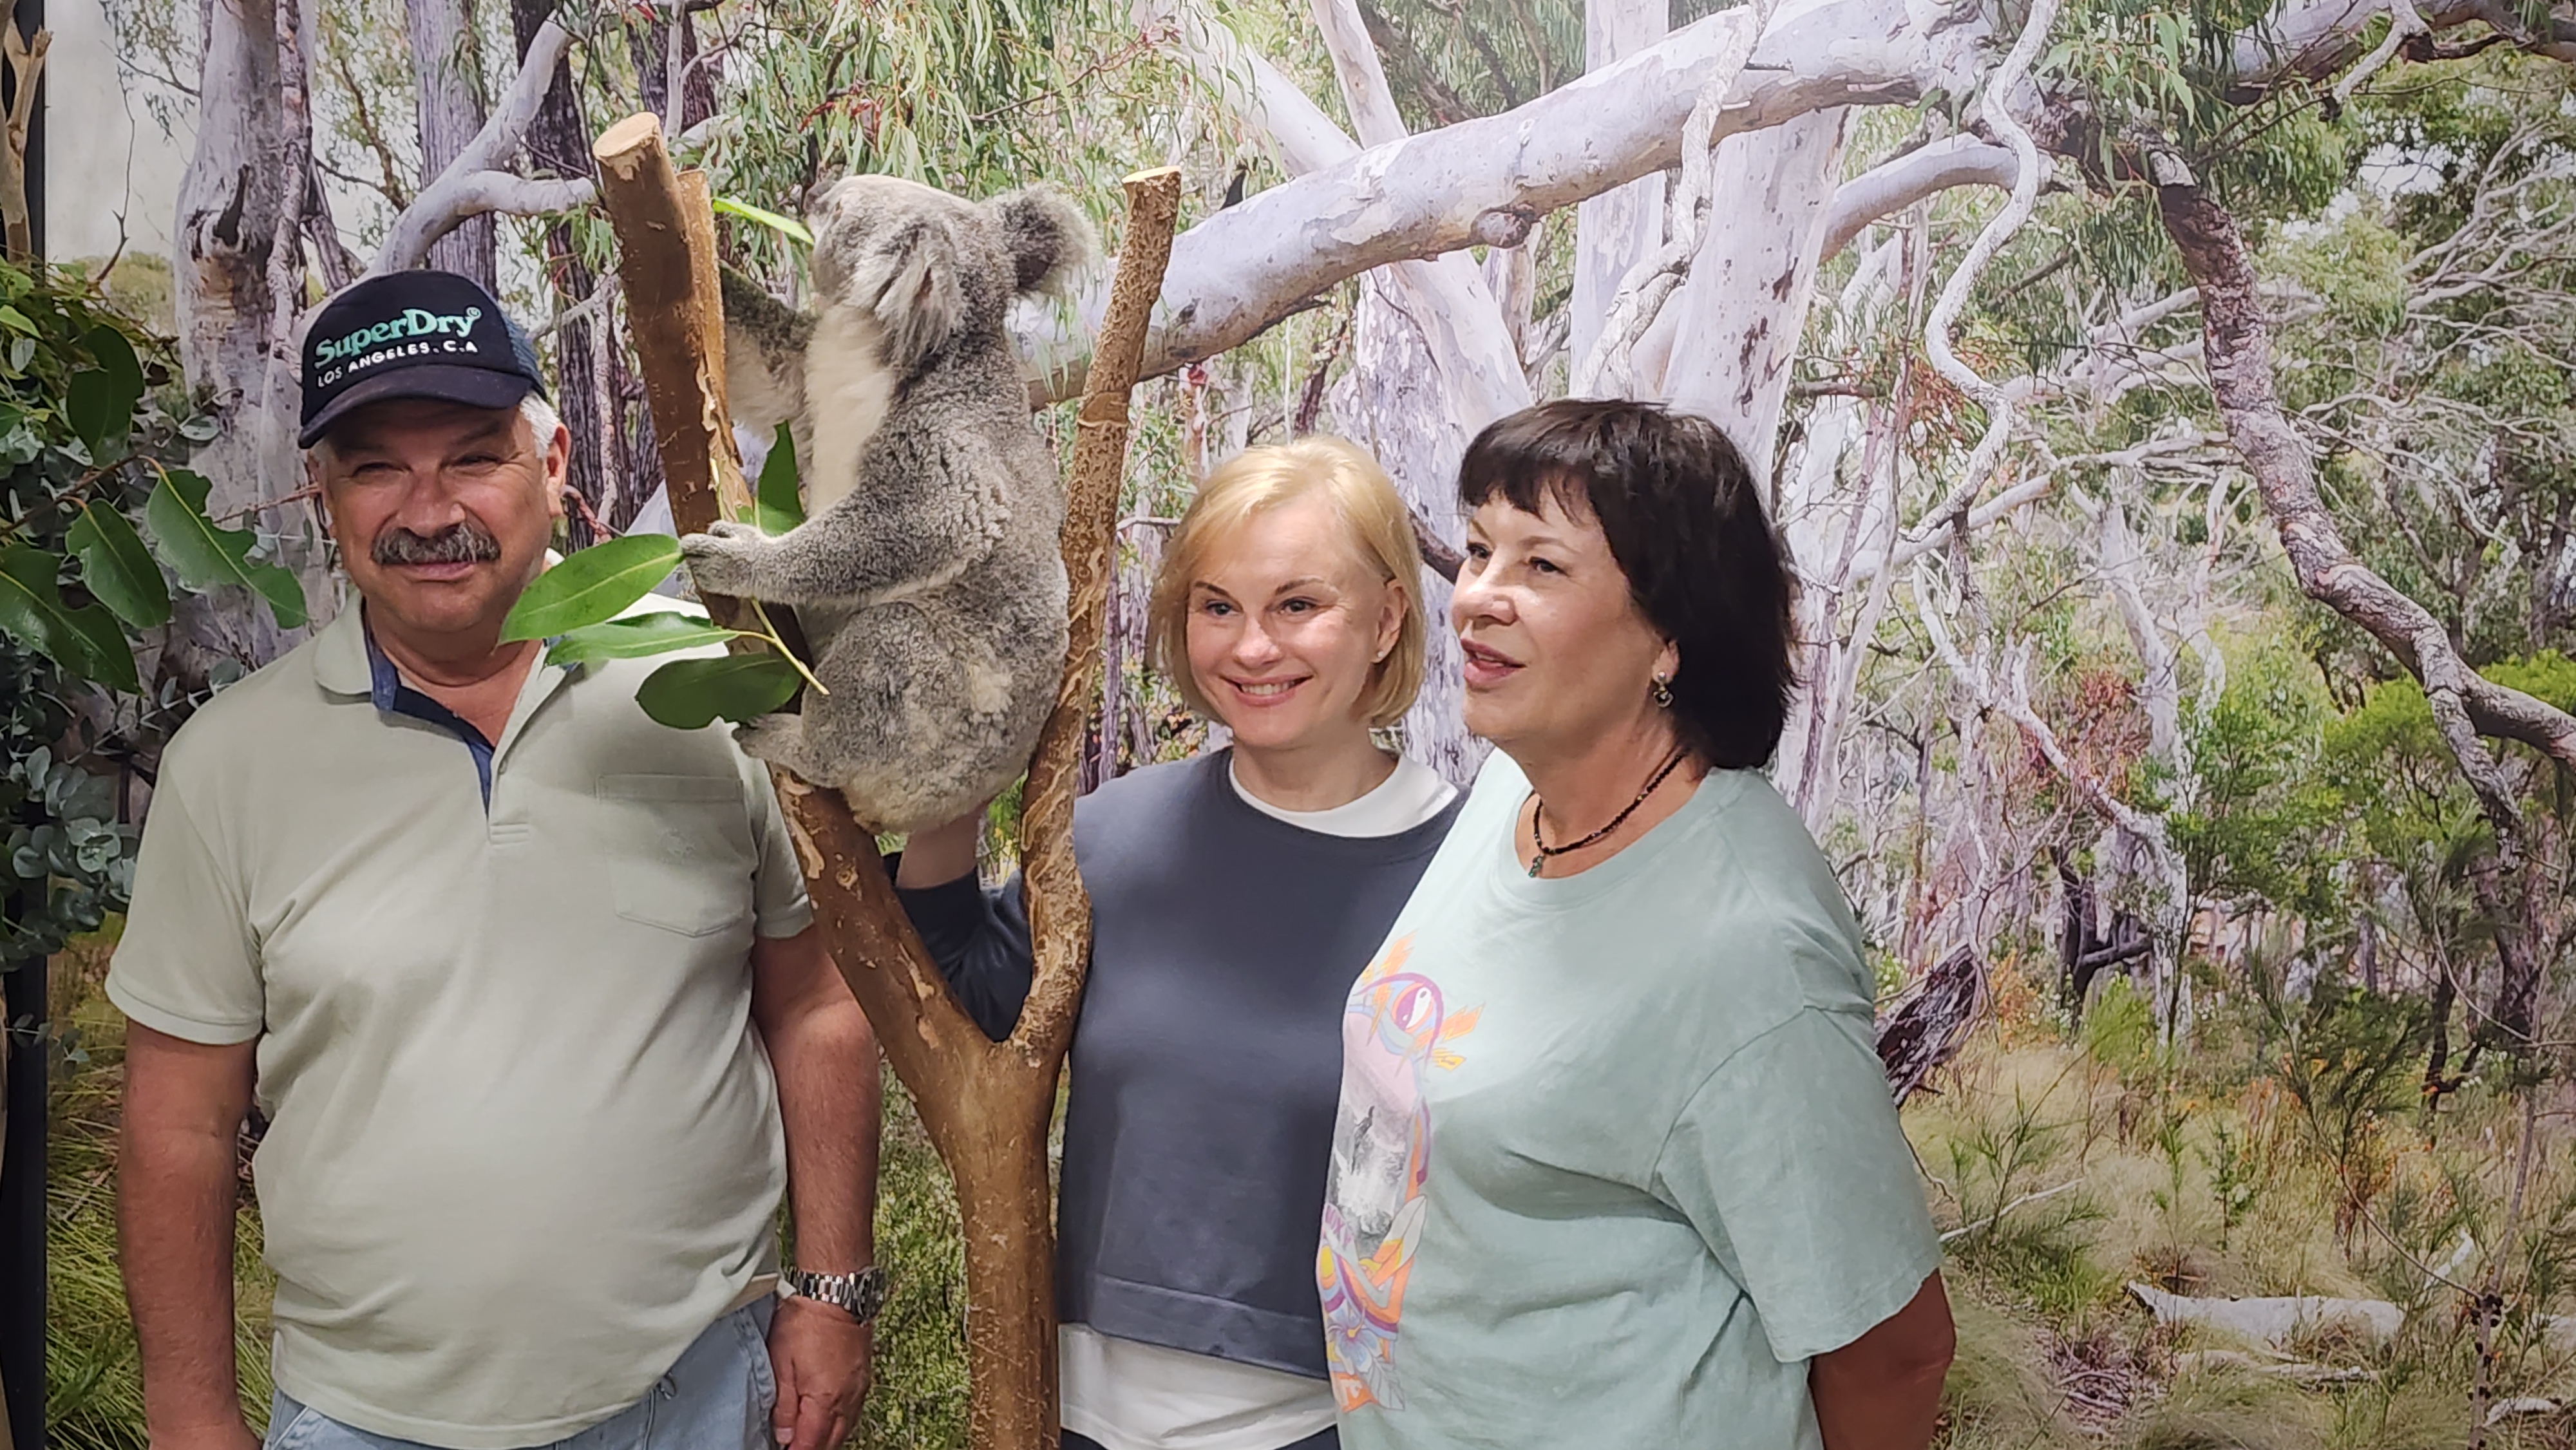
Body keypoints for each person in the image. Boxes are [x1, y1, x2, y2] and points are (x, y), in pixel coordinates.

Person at [109, 270, 884, 1450]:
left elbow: (819, 1004)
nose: (428, 511)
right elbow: (179, 1122)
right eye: (377, 468)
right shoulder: (230, 766)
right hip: (367, 1417)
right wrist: (189, 1414)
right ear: (325, 497)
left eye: (474, 455)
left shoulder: (718, 687)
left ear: (555, 463)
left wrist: (831, 1293)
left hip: (694, 1389)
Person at [1316, 399, 1955, 1449]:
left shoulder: (1748, 952)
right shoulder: (1510, 799)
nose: (1479, 597)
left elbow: (1895, 1349)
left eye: (1542, 567)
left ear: (1667, 631)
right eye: (1480, 550)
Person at [893, 437, 1464, 1450]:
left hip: (1325, 1421)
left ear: (1386, 618)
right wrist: (955, 787)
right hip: (1081, 1409)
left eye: (1298, 605)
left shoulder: (1463, 879)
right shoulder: (1122, 833)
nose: (1252, 648)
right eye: (1217, 607)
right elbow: (974, 1000)